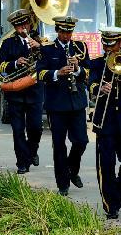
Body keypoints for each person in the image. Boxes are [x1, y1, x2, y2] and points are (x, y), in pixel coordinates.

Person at [88, 27, 121, 219]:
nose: (108, 48)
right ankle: (111, 205)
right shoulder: (97, 62)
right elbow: (90, 83)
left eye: (112, 45)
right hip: (105, 120)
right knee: (106, 165)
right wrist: (100, 88)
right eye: (105, 44)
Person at [38, 16, 90, 195]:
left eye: (69, 32)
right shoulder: (47, 49)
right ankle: (63, 184)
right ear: (57, 31)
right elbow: (39, 73)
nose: (66, 35)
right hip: (57, 104)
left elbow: (88, 72)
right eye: (63, 32)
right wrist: (56, 73)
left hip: (77, 103)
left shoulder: (80, 48)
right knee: (59, 144)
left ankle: (72, 170)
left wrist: (78, 68)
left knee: (81, 141)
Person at [0, 9, 44, 173]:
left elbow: (53, 61)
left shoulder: (41, 40)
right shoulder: (8, 43)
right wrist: (15, 63)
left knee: (35, 128)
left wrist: (40, 48)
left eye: (25, 24)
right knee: (17, 130)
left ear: (29, 24)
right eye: (18, 25)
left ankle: (32, 151)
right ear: (15, 27)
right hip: (15, 92)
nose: (22, 28)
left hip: (35, 91)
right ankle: (22, 163)